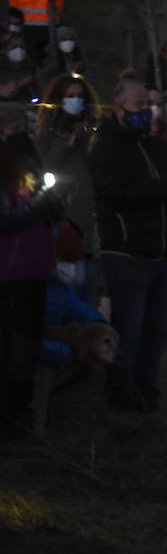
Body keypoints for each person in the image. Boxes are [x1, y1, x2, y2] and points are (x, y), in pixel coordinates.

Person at [91, 79, 167, 412]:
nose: (146, 111)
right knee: (128, 333)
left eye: (148, 105)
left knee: (155, 334)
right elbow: (118, 196)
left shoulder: (155, 146)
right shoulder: (106, 148)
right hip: (127, 253)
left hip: (162, 253)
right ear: (118, 110)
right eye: (138, 106)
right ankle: (121, 401)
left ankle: (146, 395)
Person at [0, 103, 68, 430]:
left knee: (27, 346)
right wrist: (41, 203)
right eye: (13, 132)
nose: (20, 139)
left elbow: (48, 212)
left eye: (22, 131)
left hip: (36, 269)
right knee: (13, 348)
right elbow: (6, 220)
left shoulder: (31, 167)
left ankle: (19, 412)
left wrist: (54, 203)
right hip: (9, 273)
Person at [35, 74, 102, 309]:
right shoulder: (47, 135)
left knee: (89, 303)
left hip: (92, 233)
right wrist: (67, 145)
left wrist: (88, 142)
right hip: (63, 230)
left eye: (80, 97)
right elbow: (42, 168)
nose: (76, 101)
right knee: (65, 306)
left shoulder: (94, 133)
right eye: (70, 96)